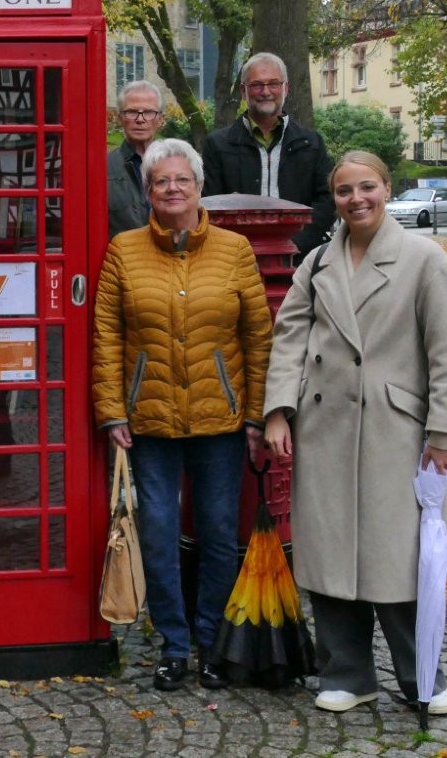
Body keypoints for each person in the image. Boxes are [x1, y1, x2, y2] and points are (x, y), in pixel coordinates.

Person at [263, 150, 447, 716]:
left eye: (368, 187)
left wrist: (446, 432)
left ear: (386, 188)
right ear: (335, 199)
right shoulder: (318, 264)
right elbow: (290, 339)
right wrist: (278, 409)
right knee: (329, 556)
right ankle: (348, 674)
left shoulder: (425, 261)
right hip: (325, 427)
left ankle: (420, 676)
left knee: (400, 559)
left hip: (396, 431)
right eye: (346, 190)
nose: (357, 199)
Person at [92, 138, 272, 693]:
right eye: (161, 181)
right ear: (147, 191)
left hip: (221, 420)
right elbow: (106, 335)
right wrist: (111, 410)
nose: (172, 189)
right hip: (150, 421)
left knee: (219, 534)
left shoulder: (235, 249)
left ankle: (211, 641)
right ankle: (172, 644)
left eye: (182, 180)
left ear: (198, 188)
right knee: (160, 533)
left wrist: (258, 415)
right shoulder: (123, 249)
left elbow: (258, 336)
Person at [201, 52, 335, 259]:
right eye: (257, 85)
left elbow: (327, 200)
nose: (265, 92)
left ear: (285, 89)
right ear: (243, 91)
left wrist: (296, 243)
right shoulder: (218, 145)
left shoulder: (311, 143)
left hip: (301, 257)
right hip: (235, 259)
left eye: (273, 84)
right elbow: (210, 204)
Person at [107, 80, 166, 237]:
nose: (140, 119)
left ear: (160, 119)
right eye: (132, 112)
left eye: (148, 112)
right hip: (122, 257)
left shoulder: (177, 165)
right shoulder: (103, 167)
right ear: (120, 118)